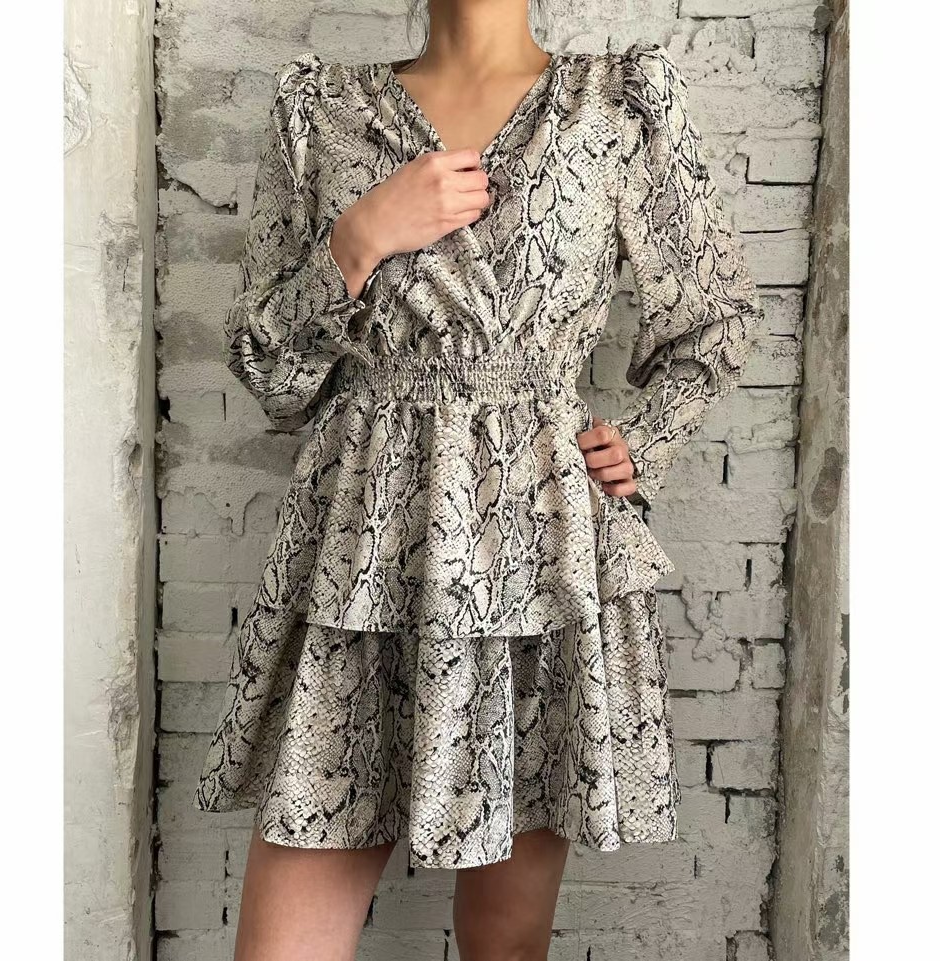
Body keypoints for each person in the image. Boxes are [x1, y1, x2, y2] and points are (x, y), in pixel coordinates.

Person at [193, 2, 764, 959]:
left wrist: (647, 439)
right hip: (365, 556)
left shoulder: (617, 101)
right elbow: (274, 378)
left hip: (538, 552)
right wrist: (357, 239)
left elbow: (715, 313)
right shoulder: (320, 108)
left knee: (505, 945)